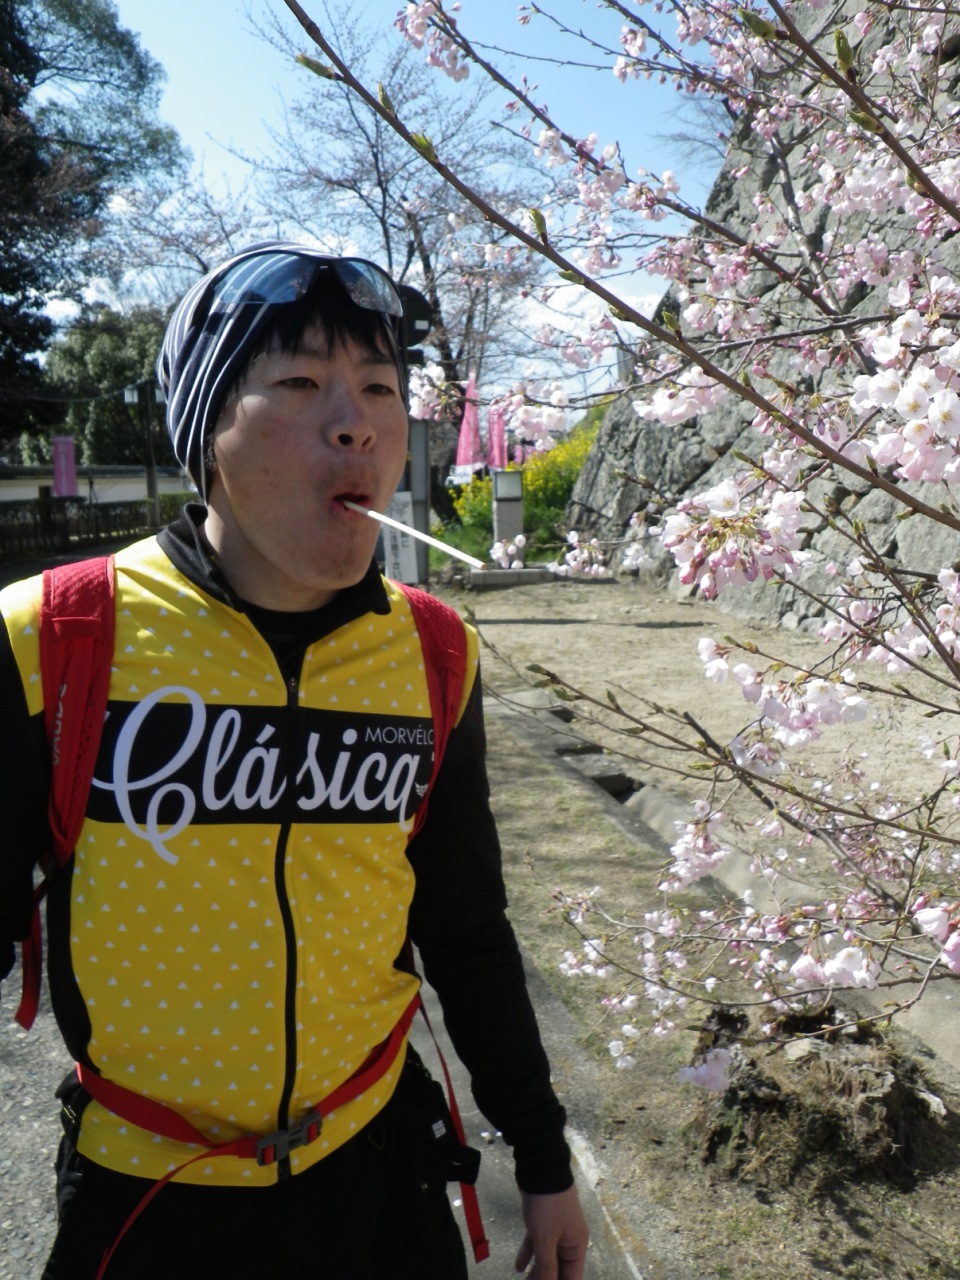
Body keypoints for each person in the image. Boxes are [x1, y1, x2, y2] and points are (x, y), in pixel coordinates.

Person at [0, 242, 589, 1279]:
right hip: (147, 1197)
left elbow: (466, 929)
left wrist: (543, 1159)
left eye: (380, 388)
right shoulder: (54, 637)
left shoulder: (435, 653)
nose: (355, 422)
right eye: (302, 383)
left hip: (383, 1174)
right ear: (206, 429)